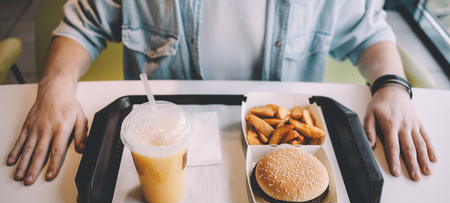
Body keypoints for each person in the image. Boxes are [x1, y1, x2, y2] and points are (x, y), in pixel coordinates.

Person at [6, 0, 438, 185]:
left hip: (282, 149)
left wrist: (392, 86)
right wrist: (56, 87)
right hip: (161, 142)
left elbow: (368, 32)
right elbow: (84, 21)